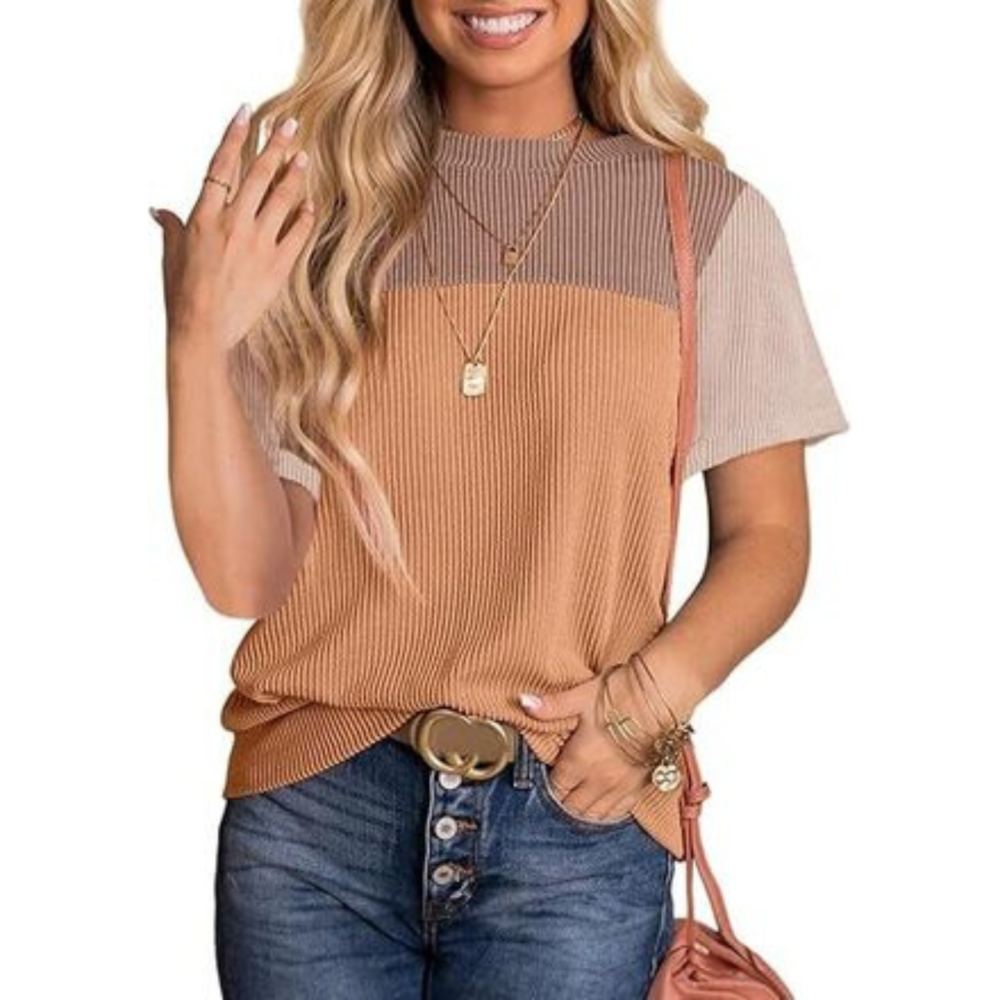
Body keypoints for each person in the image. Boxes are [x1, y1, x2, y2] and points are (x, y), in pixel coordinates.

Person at [152, 1, 850, 997]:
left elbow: (768, 536)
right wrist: (196, 340)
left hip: (574, 823)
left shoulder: (702, 218)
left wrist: (644, 707)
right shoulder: (309, 216)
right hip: (315, 822)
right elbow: (244, 577)